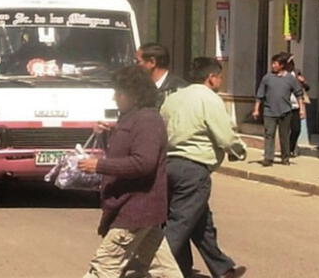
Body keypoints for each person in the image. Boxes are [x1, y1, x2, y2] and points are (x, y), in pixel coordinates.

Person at [78, 65, 182, 278]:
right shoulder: (131, 118)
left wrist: (98, 165)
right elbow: (124, 152)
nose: (115, 97)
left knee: (103, 268)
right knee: (164, 270)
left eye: (119, 92)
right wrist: (107, 135)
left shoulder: (148, 120)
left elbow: (143, 163)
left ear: (133, 94)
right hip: (139, 210)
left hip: (136, 208)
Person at [160, 57, 247, 278]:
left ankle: (222, 269)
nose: (220, 81)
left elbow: (161, 129)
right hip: (193, 168)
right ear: (211, 78)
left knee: (201, 224)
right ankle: (156, 267)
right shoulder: (209, 99)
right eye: (220, 77)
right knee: (180, 223)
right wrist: (239, 150)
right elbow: (225, 136)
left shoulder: (173, 98)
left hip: (169, 165)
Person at [252, 53, 304, 166]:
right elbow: (260, 94)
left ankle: (285, 157)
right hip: (269, 111)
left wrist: (301, 109)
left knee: (284, 135)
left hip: (285, 111)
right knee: (269, 134)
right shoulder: (267, 78)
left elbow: (299, 93)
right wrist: (256, 109)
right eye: (273, 63)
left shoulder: (290, 78)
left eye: (275, 63)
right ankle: (268, 158)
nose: (273, 65)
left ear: (282, 65)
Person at [135, 43, 187, 107]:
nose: (135, 66)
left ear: (152, 62)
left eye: (138, 62)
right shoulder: (137, 88)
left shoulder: (180, 90)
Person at [285, 54, 309, 157]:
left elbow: (307, 88)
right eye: (289, 63)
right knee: (285, 130)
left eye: (292, 64)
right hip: (285, 105)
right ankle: (286, 151)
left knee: (296, 129)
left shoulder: (297, 73)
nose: (291, 65)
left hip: (296, 105)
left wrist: (303, 82)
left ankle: (290, 148)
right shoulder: (282, 75)